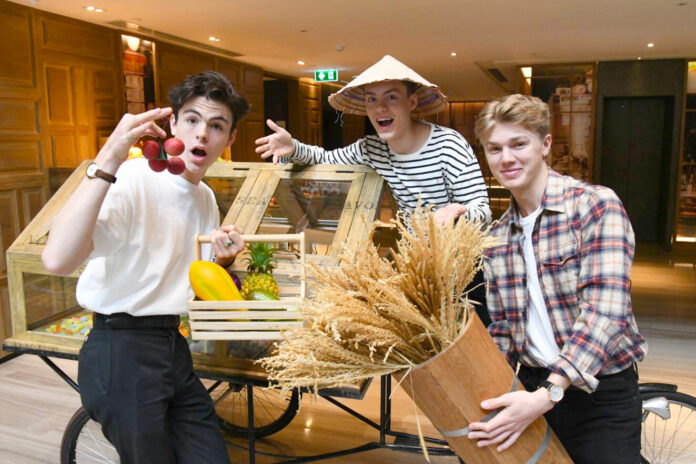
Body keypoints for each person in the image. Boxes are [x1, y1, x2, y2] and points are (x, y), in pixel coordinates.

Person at [42, 71, 250, 463]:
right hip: (122, 349)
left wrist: (222, 258)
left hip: (173, 346)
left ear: (229, 138)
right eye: (191, 120)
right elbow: (57, 260)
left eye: (216, 125)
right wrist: (109, 157)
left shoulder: (204, 196)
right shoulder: (133, 177)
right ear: (172, 124)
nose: (201, 134)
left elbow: (193, 278)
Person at [467, 94, 647, 464]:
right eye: (494, 148)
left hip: (599, 393)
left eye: (519, 144)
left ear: (545, 144)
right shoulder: (497, 236)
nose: (507, 158)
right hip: (532, 387)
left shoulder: (595, 206)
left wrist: (549, 393)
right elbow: (503, 330)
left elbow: (605, 313)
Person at [255, 55, 492, 227]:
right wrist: (293, 146)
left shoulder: (448, 146)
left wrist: (456, 211)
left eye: (391, 97)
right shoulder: (371, 148)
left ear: (412, 103)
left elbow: (483, 209)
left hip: (462, 266)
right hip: (417, 265)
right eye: (372, 99)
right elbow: (324, 158)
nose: (380, 108)